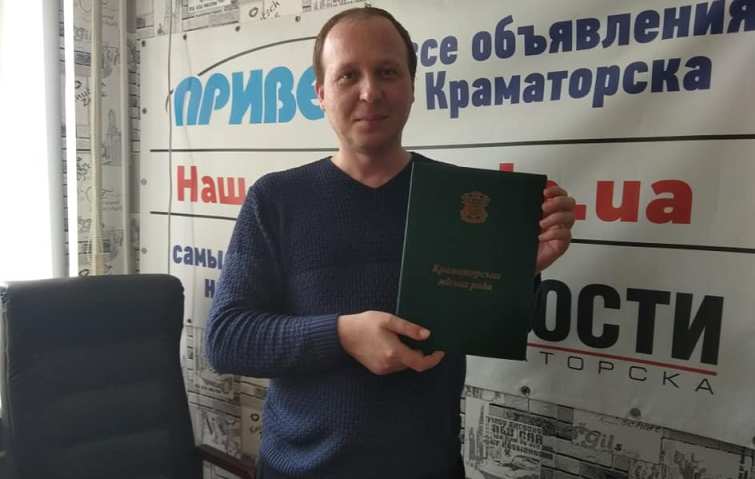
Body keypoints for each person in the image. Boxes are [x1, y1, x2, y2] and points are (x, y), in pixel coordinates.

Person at [206, 6, 576, 479]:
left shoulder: (461, 199)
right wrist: (342, 335)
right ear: (320, 93)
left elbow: (490, 326)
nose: (370, 92)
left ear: (412, 86)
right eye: (348, 75)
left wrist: (521, 269)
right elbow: (227, 339)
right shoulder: (275, 198)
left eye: (387, 72)